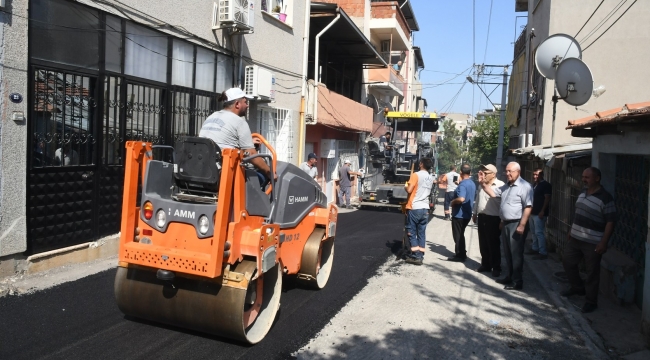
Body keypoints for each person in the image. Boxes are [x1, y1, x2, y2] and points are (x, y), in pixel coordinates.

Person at [561, 167, 616, 313]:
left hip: (593, 242)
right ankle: (578, 288)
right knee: (567, 261)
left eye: (587, 177)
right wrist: (571, 230)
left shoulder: (605, 197)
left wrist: (603, 242)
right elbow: (577, 213)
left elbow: (611, 221)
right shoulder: (583, 193)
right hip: (575, 238)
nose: (584, 180)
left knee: (592, 272)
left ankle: (591, 301)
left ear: (597, 178)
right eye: (583, 177)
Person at [199, 87, 273, 184]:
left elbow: (222, 142)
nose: (247, 106)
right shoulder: (239, 122)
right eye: (245, 102)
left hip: (203, 171)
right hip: (224, 176)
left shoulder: (211, 117)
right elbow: (252, 155)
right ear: (237, 104)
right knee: (262, 175)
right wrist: (270, 172)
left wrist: (249, 142)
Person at [479, 162, 533, 291]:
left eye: (510, 171)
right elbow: (492, 193)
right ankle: (510, 276)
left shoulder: (525, 186)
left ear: (518, 172)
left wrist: (522, 225)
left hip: (517, 223)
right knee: (508, 253)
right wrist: (482, 183)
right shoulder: (506, 187)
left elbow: (528, 207)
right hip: (506, 223)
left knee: (516, 254)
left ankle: (517, 281)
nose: (507, 174)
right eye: (506, 171)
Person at [472, 164, 505, 277]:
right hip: (482, 217)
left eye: (486, 173)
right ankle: (485, 264)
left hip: (494, 218)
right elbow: (477, 199)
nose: (483, 175)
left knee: (493, 244)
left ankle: (496, 267)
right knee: (483, 242)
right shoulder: (482, 185)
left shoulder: (501, 185)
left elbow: (503, 205)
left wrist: (502, 220)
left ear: (493, 174)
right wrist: (475, 212)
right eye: (482, 172)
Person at [404, 157, 435, 265]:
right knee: (421, 233)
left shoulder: (415, 175)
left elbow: (409, 190)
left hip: (415, 207)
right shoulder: (430, 177)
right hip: (425, 208)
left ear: (421, 164)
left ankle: (416, 256)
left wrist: (406, 185)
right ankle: (420, 254)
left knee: (411, 232)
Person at [447, 163, 476, 262]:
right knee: (461, 234)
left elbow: (461, 198)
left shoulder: (463, 184)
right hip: (467, 214)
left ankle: (460, 255)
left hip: (459, 214)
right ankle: (462, 253)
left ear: (460, 172)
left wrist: (452, 202)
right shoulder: (471, 183)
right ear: (470, 172)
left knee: (458, 235)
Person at [526, 169, 552, 260]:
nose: (535, 176)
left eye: (537, 175)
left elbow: (547, 198)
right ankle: (535, 248)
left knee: (539, 232)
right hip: (532, 212)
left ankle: (543, 252)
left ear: (542, 175)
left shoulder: (546, 185)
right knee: (533, 232)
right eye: (534, 174)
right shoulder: (534, 185)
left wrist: (542, 211)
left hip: (539, 213)